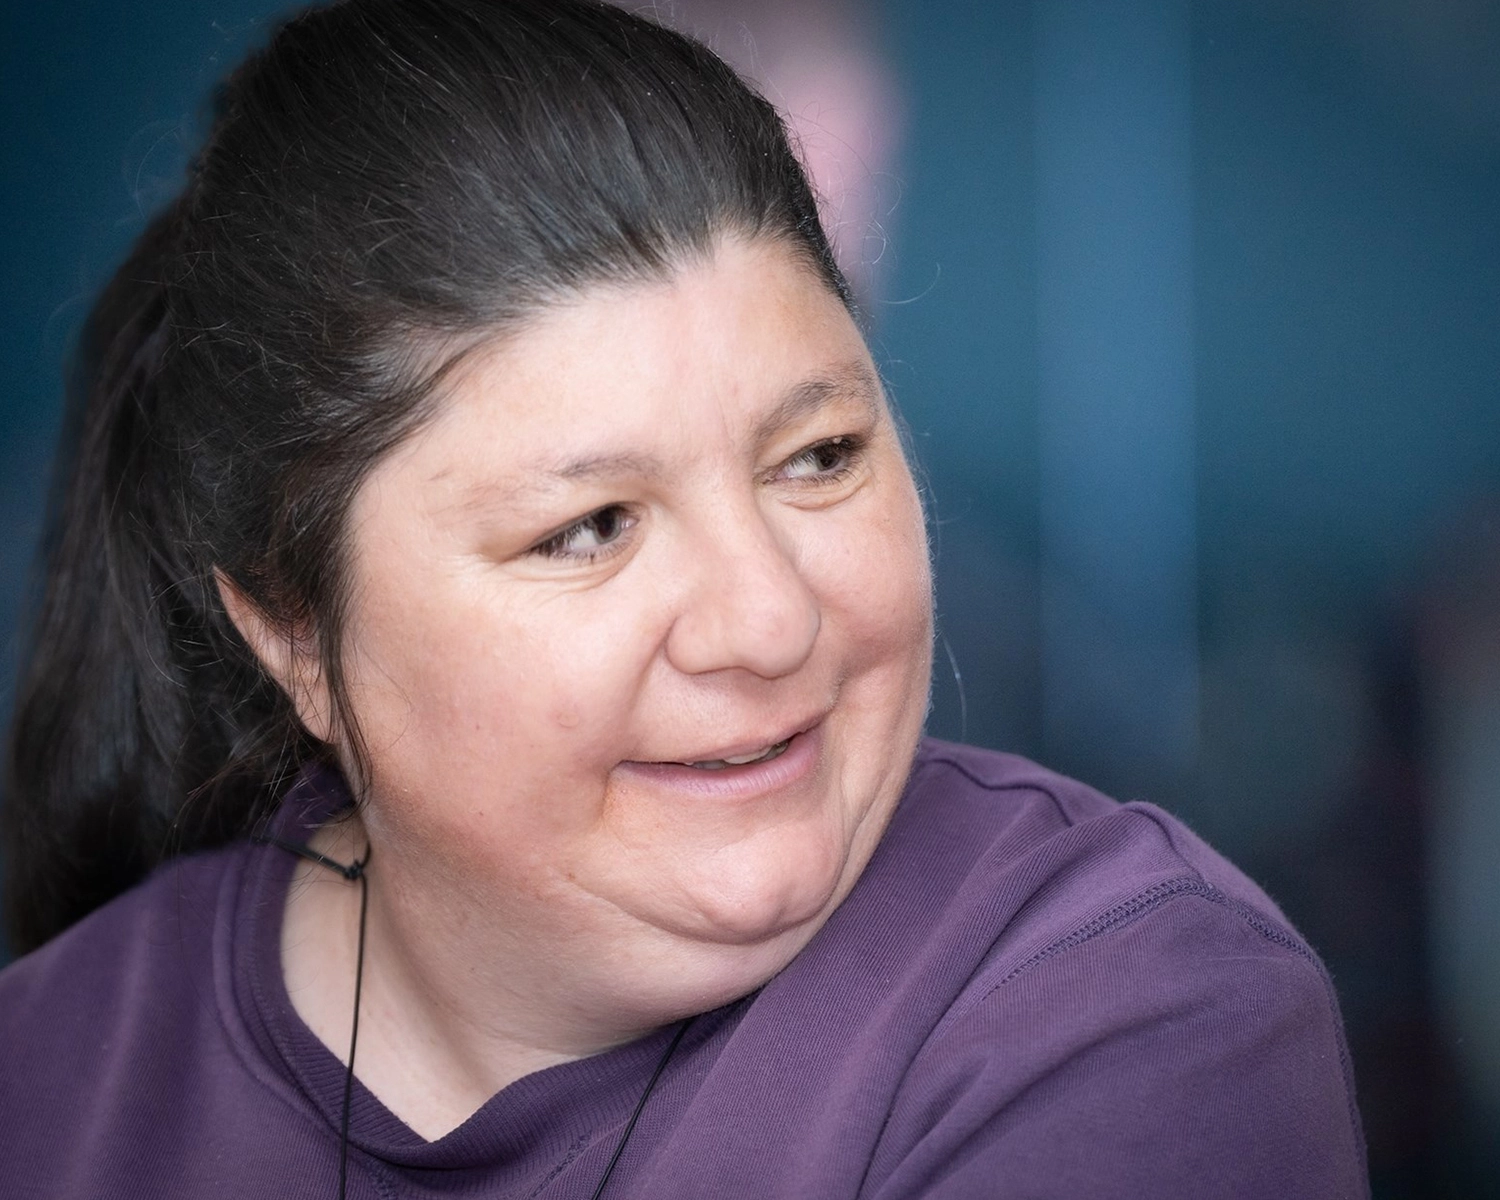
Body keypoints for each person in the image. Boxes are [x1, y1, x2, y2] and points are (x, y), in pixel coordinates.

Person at [0, 1, 1367, 1196]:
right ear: (289, 629)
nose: (770, 622)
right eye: (589, 527)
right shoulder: (47, 1080)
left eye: (820, 457)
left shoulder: (1122, 1012)